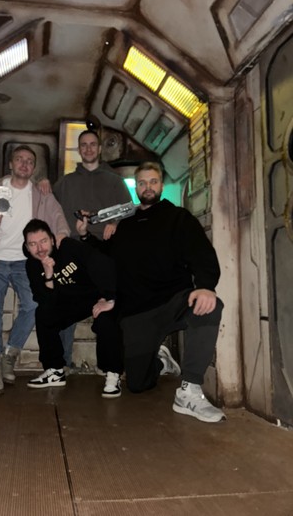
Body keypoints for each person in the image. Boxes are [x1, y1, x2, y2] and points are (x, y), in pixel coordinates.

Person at [77, 161, 226, 423]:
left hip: (173, 301)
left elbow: (201, 253)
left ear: (161, 186)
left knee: (209, 306)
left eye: (153, 181)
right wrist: (86, 236)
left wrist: (205, 286)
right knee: (138, 384)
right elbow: (108, 259)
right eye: (142, 183)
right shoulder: (125, 226)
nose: (148, 187)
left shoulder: (178, 218)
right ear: (136, 188)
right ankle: (160, 360)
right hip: (137, 313)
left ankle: (189, 390)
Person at [0, 145, 70, 395]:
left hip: (25, 263)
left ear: (33, 168)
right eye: (19, 159)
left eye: (29, 161)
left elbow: (58, 217)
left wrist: (61, 235)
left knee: (34, 305)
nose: (24, 164)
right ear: (11, 164)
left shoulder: (41, 193)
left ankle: (9, 355)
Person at [53, 129, 132, 365]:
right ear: (79, 150)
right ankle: (61, 363)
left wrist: (115, 223)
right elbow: (47, 206)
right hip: (73, 251)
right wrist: (44, 184)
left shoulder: (115, 181)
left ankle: (110, 366)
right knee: (63, 301)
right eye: (84, 145)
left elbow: (129, 211)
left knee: (111, 306)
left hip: (105, 251)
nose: (88, 148)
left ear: (99, 149)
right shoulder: (65, 182)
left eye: (92, 144)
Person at [23, 219, 123, 398]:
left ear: (52, 239)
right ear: (27, 247)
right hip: (71, 303)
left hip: (96, 294)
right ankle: (54, 370)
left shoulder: (68, 247)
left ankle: (113, 373)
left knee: (106, 318)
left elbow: (102, 263)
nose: (39, 248)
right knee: (43, 313)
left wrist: (109, 297)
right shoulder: (32, 265)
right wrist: (48, 275)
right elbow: (46, 301)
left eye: (43, 241)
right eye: (33, 244)